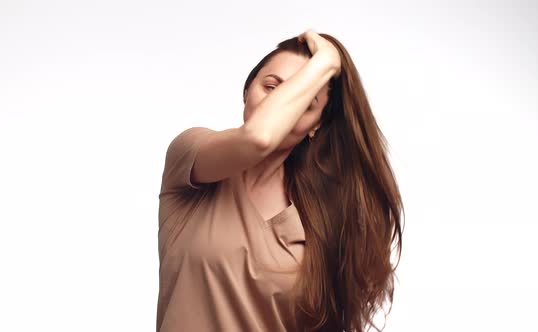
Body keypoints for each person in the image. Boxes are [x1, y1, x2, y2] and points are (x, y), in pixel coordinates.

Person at [156, 29, 405, 332]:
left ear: (316, 127)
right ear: (246, 92)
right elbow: (258, 137)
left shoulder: (320, 221)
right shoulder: (192, 157)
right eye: (271, 87)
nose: (280, 105)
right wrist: (326, 61)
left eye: (303, 102)